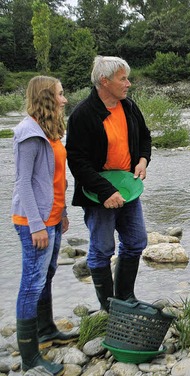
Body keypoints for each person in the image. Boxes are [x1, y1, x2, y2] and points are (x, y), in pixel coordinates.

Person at [66, 56, 152, 312]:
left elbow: (145, 137)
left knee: (136, 241)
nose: (128, 83)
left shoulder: (129, 107)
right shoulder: (83, 115)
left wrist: (143, 160)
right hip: (98, 194)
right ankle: (108, 307)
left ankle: (126, 296)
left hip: (128, 187)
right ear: (104, 81)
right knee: (102, 250)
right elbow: (78, 162)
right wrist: (106, 192)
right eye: (123, 78)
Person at [12, 76, 72, 375]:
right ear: (47, 97)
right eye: (60, 94)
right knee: (30, 285)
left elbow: (53, 178)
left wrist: (60, 212)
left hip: (51, 217)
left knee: (47, 274)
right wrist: (36, 225)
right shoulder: (28, 134)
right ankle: (29, 357)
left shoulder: (50, 131)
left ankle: (47, 330)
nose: (64, 99)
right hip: (32, 221)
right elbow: (23, 183)